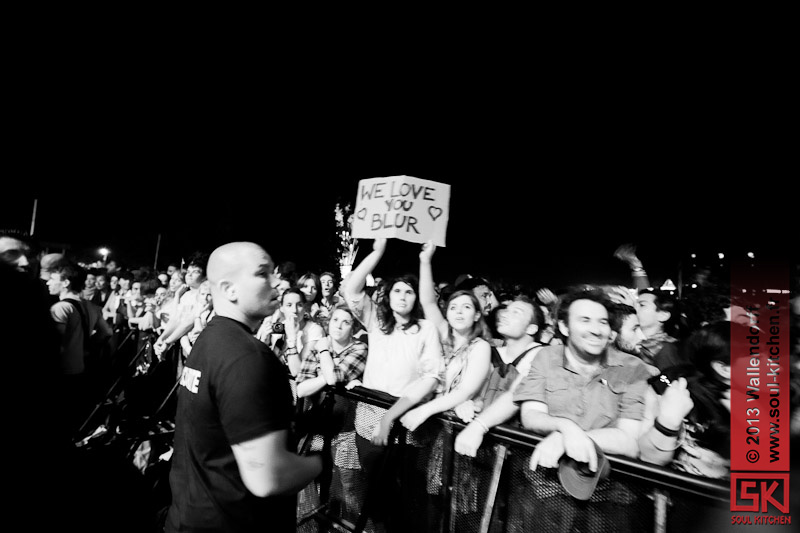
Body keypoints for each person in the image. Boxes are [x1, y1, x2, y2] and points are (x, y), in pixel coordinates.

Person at [165, 241, 322, 533]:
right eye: (263, 274)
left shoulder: (211, 339)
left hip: (192, 516)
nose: (276, 281)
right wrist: (320, 463)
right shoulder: (247, 357)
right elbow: (268, 478)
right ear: (229, 289)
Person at [513, 285, 651, 532]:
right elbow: (531, 414)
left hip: (608, 492)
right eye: (585, 320)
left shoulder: (632, 368)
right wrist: (565, 427)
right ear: (564, 327)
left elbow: (629, 441)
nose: (596, 330)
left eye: (603, 322)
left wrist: (567, 439)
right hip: (545, 485)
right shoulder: (545, 357)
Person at [342, 237, 443, 532]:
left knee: (407, 495)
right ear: (387, 296)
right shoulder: (376, 320)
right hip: (368, 415)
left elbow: (431, 377)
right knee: (375, 491)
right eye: (397, 290)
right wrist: (376, 252)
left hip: (404, 417)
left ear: (415, 298)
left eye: (409, 291)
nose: (402, 296)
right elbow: (351, 288)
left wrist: (391, 416)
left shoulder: (426, 329)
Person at [46, 257, 113, 435]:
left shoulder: (60, 308)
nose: (48, 282)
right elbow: (107, 333)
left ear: (66, 282)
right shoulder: (91, 307)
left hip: (61, 372)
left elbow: (55, 343)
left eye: (52, 279)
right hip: (80, 369)